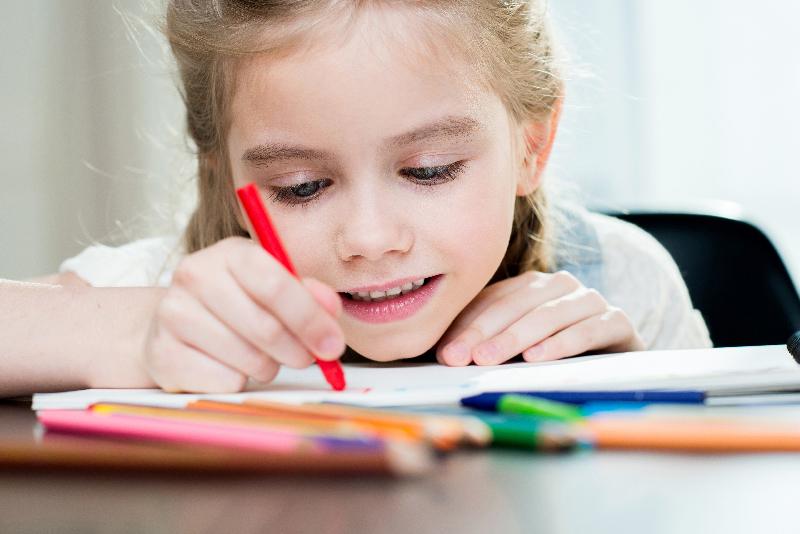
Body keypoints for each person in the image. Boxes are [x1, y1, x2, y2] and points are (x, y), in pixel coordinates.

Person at [0, 0, 710, 398]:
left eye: (430, 170)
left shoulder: (625, 283)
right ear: (223, 173)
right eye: (300, 187)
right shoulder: (164, 298)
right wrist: (133, 334)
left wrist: (641, 392)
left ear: (533, 145)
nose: (369, 239)